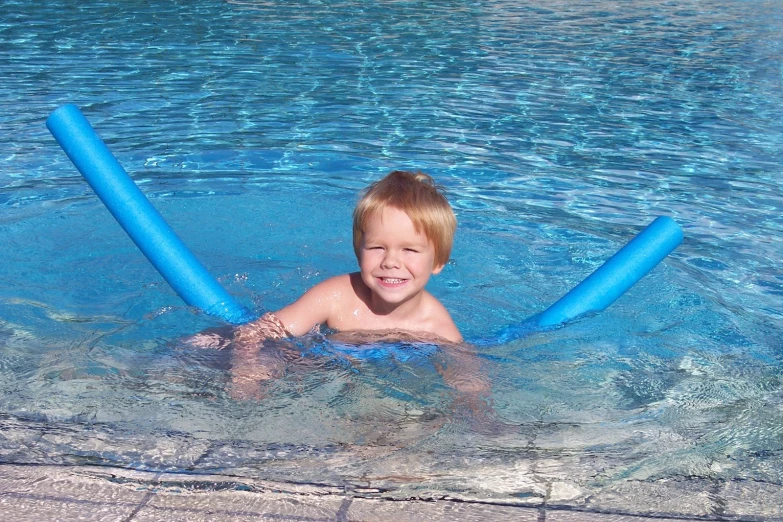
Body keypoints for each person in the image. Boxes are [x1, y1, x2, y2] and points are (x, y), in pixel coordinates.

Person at [193, 170, 489, 403]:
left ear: (438, 261)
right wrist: (245, 373)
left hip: (359, 382)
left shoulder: (435, 325)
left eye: (409, 251)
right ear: (358, 249)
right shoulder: (336, 295)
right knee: (204, 346)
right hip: (310, 364)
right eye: (377, 247)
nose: (391, 262)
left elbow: (468, 377)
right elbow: (258, 330)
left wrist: (476, 412)